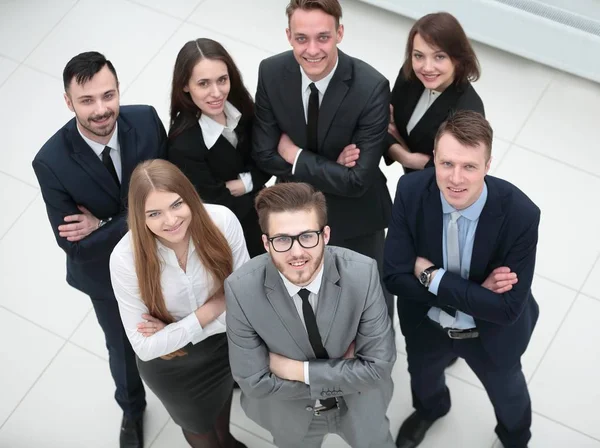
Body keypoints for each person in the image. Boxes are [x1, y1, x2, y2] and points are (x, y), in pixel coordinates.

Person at [32, 51, 167, 448]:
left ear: (119, 90)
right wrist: (140, 215)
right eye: (87, 100)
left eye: (108, 95)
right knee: (122, 346)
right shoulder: (50, 161)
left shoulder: (145, 119)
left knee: (182, 312)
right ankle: (131, 408)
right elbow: (75, 247)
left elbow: (175, 188)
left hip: (164, 250)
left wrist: (106, 223)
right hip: (104, 274)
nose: (101, 109)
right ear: (68, 101)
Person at [384, 111, 539, 448]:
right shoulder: (410, 190)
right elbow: (394, 277)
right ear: (434, 159)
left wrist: (432, 277)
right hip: (428, 323)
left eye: (469, 166)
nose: (455, 178)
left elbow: (508, 308)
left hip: (490, 333)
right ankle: (431, 409)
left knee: (508, 391)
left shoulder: (520, 214)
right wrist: (474, 293)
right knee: (423, 377)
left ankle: (515, 438)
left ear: (487, 164)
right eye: (446, 164)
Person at [225, 182, 396, 448]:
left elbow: (377, 369)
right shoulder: (240, 289)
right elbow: (254, 382)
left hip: (361, 405)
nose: (297, 253)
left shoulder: (363, 273)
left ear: (326, 235)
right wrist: (348, 371)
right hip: (289, 414)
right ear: (266, 243)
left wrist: (296, 370)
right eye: (282, 239)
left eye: (307, 236)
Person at [252, 0, 394, 317]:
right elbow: (263, 154)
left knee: (370, 299)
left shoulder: (371, 87)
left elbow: (357, 181)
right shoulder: (271, 72)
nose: (312, 49)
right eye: (302, 38)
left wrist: (294, 155)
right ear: (288, 36)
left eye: (323, 37)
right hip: (294, 211)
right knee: (304, 297)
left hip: (356, 216)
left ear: (339, 33)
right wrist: (331, 167)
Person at [110, 160, 249, 448]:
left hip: (225, 347)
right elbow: (146, 348)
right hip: (173, 366)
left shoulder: (221, 221)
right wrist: (211, 309)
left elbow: (247, 306)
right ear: (140, 217)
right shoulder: (125, 259)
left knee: (222, 404)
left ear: (189, 196)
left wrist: (173, 330)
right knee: (198, 427)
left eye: (176, 205)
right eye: (154, 213)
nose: (170, 221)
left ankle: (229, 441)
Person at [168, 38, 271, 258]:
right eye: (203, 83)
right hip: (231, 236)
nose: (216, 93)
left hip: (262, 217)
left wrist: (243, 184)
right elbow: (217, 205)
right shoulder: (182, 144)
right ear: (185, 85)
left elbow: (268, 158)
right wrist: (259, 190)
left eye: (222, 80)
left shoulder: (242, 106)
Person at [387, 12, 484, 174]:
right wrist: (407, 157)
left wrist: (405, 156)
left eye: (439, 57)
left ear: (458, 59)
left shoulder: (469, 111)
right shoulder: (409, 74)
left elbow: (455, 170)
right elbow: (381, 123)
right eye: (419, 55)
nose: (427, 67)